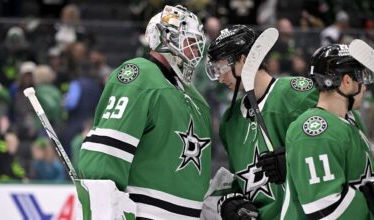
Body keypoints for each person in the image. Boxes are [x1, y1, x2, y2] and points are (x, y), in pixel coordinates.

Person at [76, 5, 212, 219]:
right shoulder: (139, 76)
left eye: (196, 46)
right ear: (165, 39)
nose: (194, 52)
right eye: (189, 43)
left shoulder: (196, 99)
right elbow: (106, 156)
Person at [204, 25, 320, 219]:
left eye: (222, 67)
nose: (220, 77)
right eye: (215, 70)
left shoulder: (297, 94)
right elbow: (239, 179)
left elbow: (338, 138)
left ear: (244, 59)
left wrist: (295, 160)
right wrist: (230, 200)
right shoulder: (229, 120)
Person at [281, 44, 374, 219]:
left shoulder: (351, 119)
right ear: (346, 81)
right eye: (361, 78)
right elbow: (325, 209)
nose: (365, 87)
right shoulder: (314, 133)